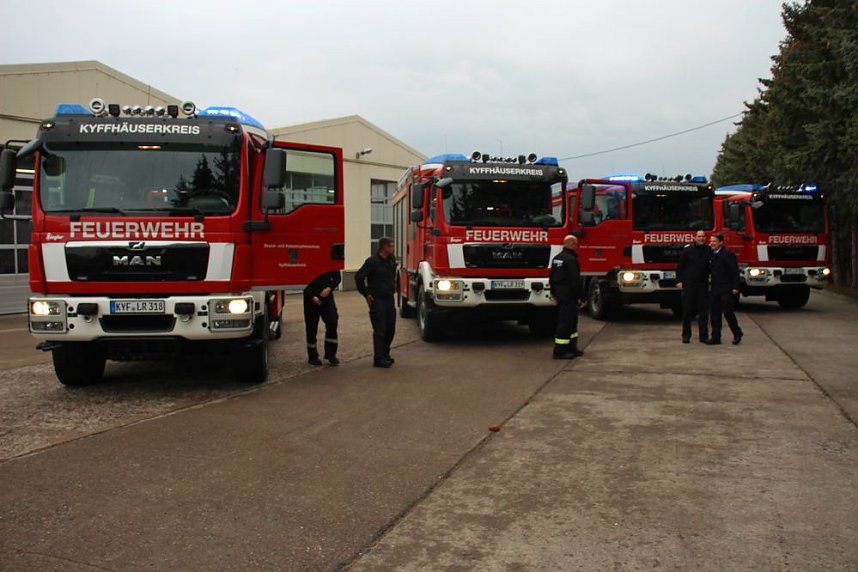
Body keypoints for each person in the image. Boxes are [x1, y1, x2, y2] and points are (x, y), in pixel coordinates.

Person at [355, 237, 397, 367]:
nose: (393, 248)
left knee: (390, 328)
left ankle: (385, 354)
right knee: (380, 329)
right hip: (377, 300)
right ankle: (378, 359)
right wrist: (366, 294)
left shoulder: (391, 260)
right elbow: (359, 277)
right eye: (391, 246)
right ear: (384, 247)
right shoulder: (372, 262)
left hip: (389, 299)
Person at [549, 235, 585, 359]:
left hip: (561, 296)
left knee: (570, 324)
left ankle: (571, 348)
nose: (577, 247)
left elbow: (552, 278)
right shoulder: (571, 260)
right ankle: (560, 351)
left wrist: (553, 294)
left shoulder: (556, 259)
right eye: (576, 244)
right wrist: (581, 297)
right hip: (569, 297)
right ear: (571, 244)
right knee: (566, 324)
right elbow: (575, 281)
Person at [676, 230, 712, 344]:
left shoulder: (709, 251)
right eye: (699, 236)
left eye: (703, 237)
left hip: (703, 285)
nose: (701, 238)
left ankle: (704, 336)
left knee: (704, 312)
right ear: (694, 238)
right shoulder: (687, 251)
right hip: (689, 284)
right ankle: (686, 335)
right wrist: (679, 281)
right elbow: (680, 267)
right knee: (687, 311)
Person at [707, 232, 743, 345]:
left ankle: (737, 332)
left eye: (714, 241)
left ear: (721, 243)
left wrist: (736, 287)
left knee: (728, 312)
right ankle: (716, 337)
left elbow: (734, 272)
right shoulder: (711, 255)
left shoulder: (728, 255)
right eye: (711, 241)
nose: (712, 243)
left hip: (726, 288)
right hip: (715, 288)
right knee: (714, 314)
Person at [303, 270, 341, 366]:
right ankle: (313, 356)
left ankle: (331, 354)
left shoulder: (328, 260)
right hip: (310, 299)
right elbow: (300, 280)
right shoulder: (307, 259)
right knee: (311, 328)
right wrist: (312, 296)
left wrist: (329, 288)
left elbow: (337, 278)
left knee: (332, 321)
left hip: (327, 298)